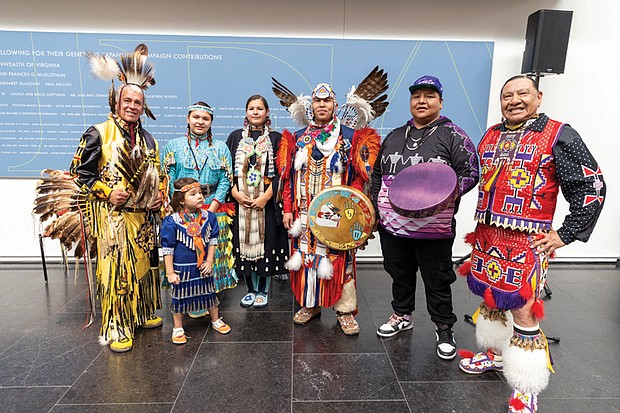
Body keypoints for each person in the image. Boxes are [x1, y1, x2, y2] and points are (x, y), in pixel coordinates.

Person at [458, 75, 605, 413]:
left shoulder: (558, 134)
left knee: (523, 309)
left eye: (523, 93)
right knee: (491, 299)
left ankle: (526, 384)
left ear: (538, 97)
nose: (514, 100)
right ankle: (494, 354)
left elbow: (591, 184)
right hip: (487, 236)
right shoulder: (491, 135)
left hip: (528, 240)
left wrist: (565, 233)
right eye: (507, 95)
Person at [370, 75, 479, 360]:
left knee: (437, 279)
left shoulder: (454, 135)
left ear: (440, 102)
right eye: (416, 96)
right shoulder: (394, 136)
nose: (422, 101)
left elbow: (471, 173)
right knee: (399, 274)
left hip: (433, 229)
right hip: (393, 228)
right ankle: (402, 315)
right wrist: (374, 209)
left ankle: (444, 327)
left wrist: (441, 196)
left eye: (429, 96)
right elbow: (378, 175)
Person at [69, 45, 163, 353]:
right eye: (128, 101)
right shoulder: (98, 133)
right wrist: (108, 192)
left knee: (146, 268)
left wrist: (159, 194)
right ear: (116, 101)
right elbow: (78, 173)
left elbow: (157, 174)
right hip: (114, 217)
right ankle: (117, 324)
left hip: (144, 218)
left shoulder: (149, 139)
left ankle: (143, 311)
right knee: (117, 270)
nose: (133, 106)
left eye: (138, 101)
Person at [277, 82, 382, 335]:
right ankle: (309, 304)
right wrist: (288, 208)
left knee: (340, 259)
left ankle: (344, 311)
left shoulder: (349, 136)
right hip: (303, 213)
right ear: (311, 105)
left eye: (327, 101)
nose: (321, 105)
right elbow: (289, 178)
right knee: (305, 257)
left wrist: (350, 202)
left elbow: (360, 176)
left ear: (335, 105)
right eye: (317, 101)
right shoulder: (299, 138)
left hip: (336, 212)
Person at [161, 101, 238, 319]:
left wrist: (211, 209)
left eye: (205, 118)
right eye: (196, 117)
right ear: (188, 119)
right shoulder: (174, 146)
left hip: (213, 206)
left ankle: (208, 297)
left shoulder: (221, 148)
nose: (200, 122)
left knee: (212, 253)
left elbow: (226, 179)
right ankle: (188, 297)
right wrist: (179, 209)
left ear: (211, 122)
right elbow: (168, 180)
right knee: (186, 254)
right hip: (183, 211)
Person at [226, 95, 289, 308]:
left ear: (267, 112)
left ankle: (263, 290)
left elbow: (282, 173)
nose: (255, 112)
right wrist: (234, 193)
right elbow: (227, 172)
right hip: (241, 203)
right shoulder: (235, 137)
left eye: (259, 108)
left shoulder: (277, 139)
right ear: (246, 112)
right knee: (243, 244)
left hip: (266, 204)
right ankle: (251, 290)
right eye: (251, 108)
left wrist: (265, 197)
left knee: (265, 244)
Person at [161, 178, 231, 343]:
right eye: (193, 194)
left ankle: (215, 320)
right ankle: (178, 327)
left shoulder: (209, 218)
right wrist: (170, 272)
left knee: (209, 292)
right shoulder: (172, 222)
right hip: (182, 268)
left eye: (200, 192)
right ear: (181, 200)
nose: (199, 196)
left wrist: (209, 261)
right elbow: (168, 249)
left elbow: (213, 240)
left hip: (202, 266)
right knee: (179, 296)